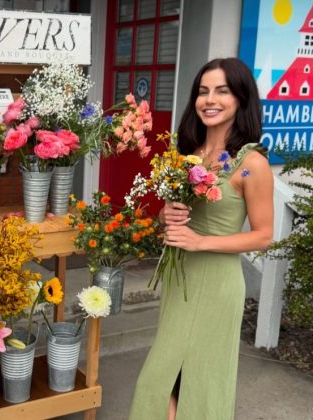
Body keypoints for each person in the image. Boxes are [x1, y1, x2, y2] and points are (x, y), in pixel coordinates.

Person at [128, 57, 273, 420]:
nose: (210, 100)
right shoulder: (188, 155)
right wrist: (166, 217)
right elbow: (168, 219)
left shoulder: (250, 163)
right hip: (180, 281)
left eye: (222, 91)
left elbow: (263, 236)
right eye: (203, 91)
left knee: (193, 381)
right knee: (169, 381)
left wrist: (200, 242)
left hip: (217, 285)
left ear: (241, 98)